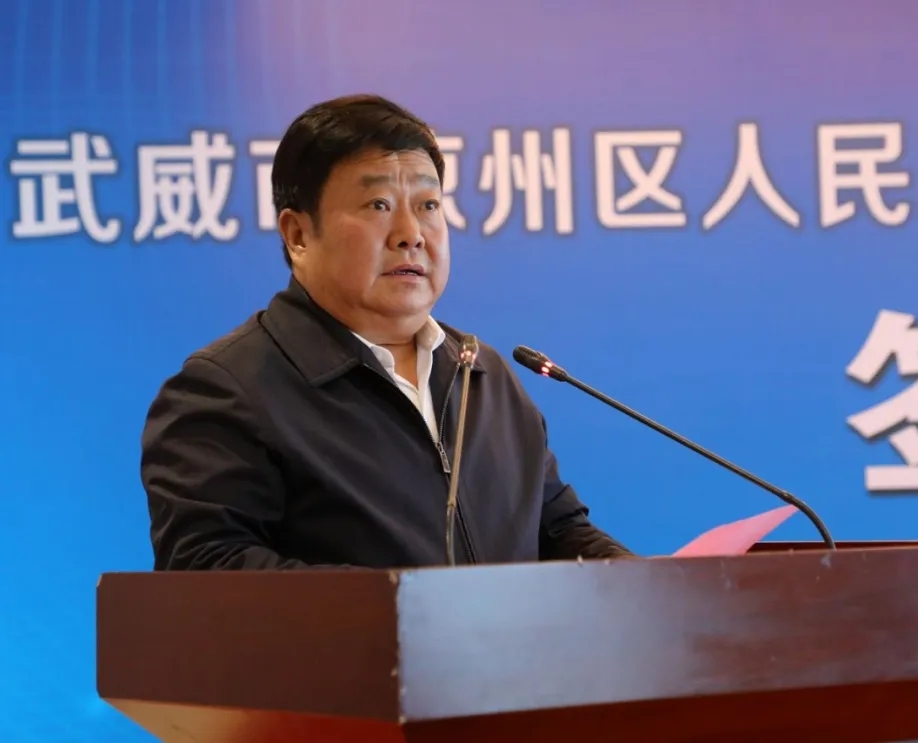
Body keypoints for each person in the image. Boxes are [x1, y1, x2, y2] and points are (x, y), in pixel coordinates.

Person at [141, 93, 632, 570]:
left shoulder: (481, 374)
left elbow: (558, 531)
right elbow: (208, 569)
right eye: (378, 205)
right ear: (298, 235)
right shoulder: (228, 390)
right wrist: (408, 605)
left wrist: (651, 586)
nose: (411, 234)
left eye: (428, 205)